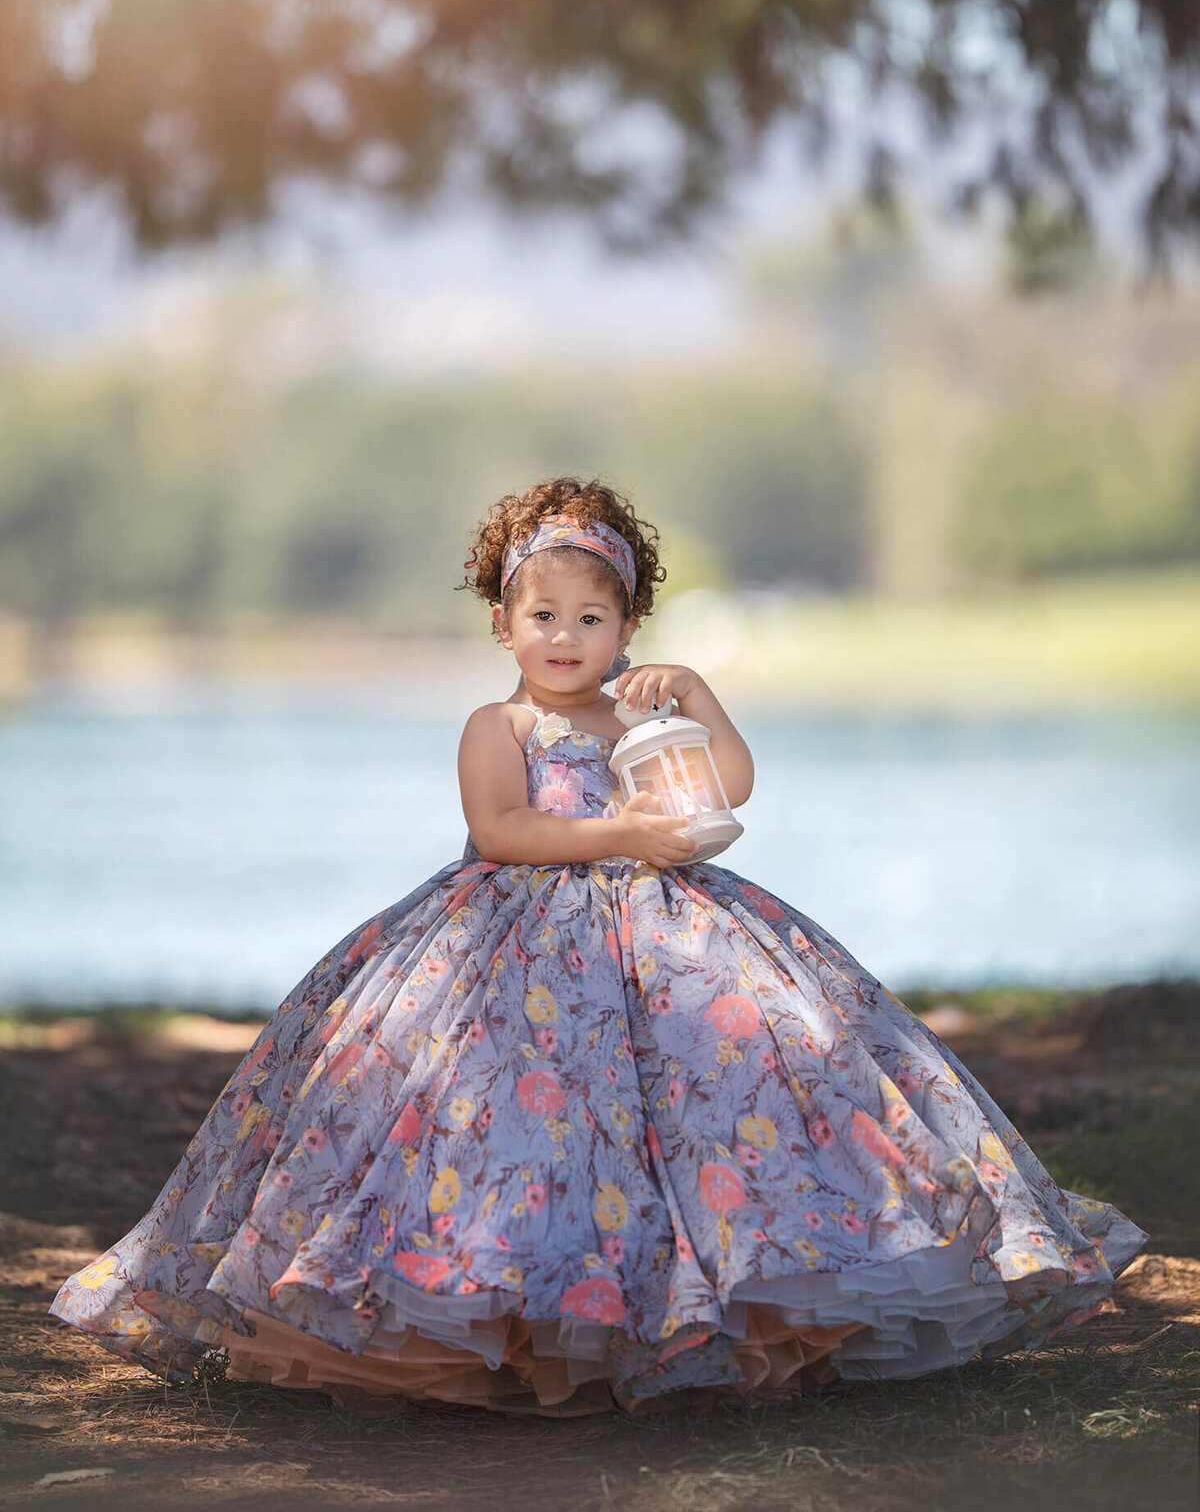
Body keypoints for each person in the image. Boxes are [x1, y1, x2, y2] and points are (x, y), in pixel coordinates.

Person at [48, 476, 1148, 1416]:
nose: (565, 638)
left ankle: (724, 1296)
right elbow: (501, 831)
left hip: (667, 935)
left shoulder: (637, 718)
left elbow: (730, 785)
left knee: (724, 1088)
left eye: (590, 618)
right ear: (502, 621)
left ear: (626, 629)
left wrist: (704, 704)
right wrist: (625, 832)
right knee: (521, 1127)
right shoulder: (501, 726)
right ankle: (507, 1319)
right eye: (543, 615)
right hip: (509, 943)